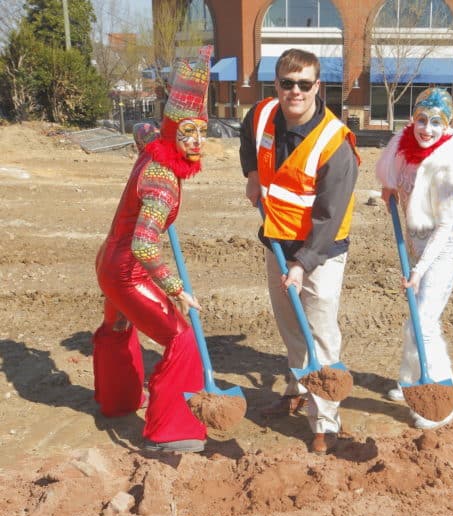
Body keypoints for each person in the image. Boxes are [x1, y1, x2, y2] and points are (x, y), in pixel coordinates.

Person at [239, 48, 360, 454]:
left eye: (304, 84)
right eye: (288, 83)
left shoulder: (334, 144)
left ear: (317, 87)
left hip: (321, 251)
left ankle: (325, 421)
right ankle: (295, 388)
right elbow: (246, 134)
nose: (295, 91)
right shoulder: (261, 115)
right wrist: (253, 175)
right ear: (277, 85)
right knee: (291, 325)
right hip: (276, 239)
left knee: (319, 333)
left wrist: (302, 264)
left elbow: (329, 217)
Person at [93, 46, 213, 453]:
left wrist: (154, 129)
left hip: (109, 264)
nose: (197, 140)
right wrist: (176, 289)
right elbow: (146, 244)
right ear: (171, 133)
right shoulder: (162, 180)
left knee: (118, 327)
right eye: (187, 132)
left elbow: (141, 129)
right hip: (128, 271)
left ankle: (118, 400)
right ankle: (172, 430)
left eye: (202, 131)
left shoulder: (152, 147)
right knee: (183, 337)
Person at [376, 88, 453, 429]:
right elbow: (395, 179)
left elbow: (444, 227)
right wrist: (389, 188)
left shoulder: (451, 165)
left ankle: (439, 391)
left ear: (447, 125)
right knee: (417, 317)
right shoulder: (404, 145)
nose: (426, 128)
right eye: (421, 119)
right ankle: (410, 380)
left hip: (442, 252)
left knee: (422, 323)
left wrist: (419, 270)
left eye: (435, 122)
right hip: (415, 245)